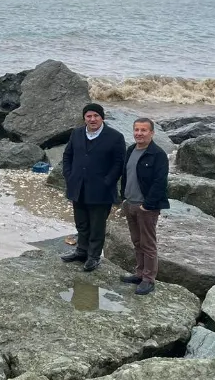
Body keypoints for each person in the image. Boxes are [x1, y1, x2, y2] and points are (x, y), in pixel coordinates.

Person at [60, 102, 126, 271]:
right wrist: (69, 176)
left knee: (97, 225)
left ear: (102, 117)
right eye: (89, 116)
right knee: (81, 223)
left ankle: (94, 257)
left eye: (96, 116)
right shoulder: (77, 133)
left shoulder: (115, 137)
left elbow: (118, 164)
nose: (92, 119)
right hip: (78, 187)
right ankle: (81, 251)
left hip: (101, 190)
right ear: (84, 118)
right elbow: (67, 156)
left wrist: (107, 182)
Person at [118, 117, 170, 295]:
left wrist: (147, 206)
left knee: (148, 243)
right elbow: (126, 175)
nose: (139, 133)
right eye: (137, 130)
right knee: (136, 241)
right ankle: (139, 273)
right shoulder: (131, 149)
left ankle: (148, 279)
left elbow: (160, 183)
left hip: (146, 207)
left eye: (143, 130)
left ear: (152, 133)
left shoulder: (158, 154)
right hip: (129, 203)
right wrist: (122, 197)